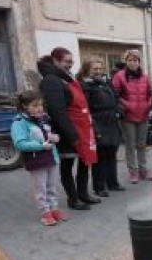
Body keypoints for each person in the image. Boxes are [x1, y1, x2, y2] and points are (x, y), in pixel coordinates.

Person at [38, 47, 99, 210]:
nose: (69, 65)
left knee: (85, 162)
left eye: (71, 61)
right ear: (55, 60)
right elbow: (57, 111)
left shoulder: (66, 78)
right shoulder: (51, 80)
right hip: (67, 131)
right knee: (67, 166)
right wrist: (71, 135)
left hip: (81, 128)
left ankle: (83, 194)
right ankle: (73, 199)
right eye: (66, 61)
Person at [11, 91, 67, 226]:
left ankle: (54, 209)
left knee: (52, 186)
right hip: (37, 161)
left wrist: (54, 137)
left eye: (41, 105)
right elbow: (20, 143)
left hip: (51, 158)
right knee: (40, 188)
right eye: (35, 105)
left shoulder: (43, 118)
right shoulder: (19, 122)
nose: (40, 108)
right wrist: (41, 146)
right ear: (25, 106)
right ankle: (45, 212)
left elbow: (48, 133)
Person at [78, 59, 125, 196]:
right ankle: (99, 187)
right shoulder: (86, 86)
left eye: (100, 68)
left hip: (111, 122)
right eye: (95, 69)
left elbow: (116, 99)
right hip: (98, 123)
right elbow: (86, 108)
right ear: (87, 70)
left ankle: (113, 183)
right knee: (100, 157)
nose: (98, 71)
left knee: (112, 154)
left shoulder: (106, 83)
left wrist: (119, 110)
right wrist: (94, 127)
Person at [112, 49, 152, 184]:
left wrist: (149, 105)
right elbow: (115, 95)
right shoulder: (119, 76)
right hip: (128, 117)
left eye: (135, 60)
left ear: (139, 62)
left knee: (142, 144)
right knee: (130, 145)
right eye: (130, 60)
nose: (133, 63)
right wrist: (126, 105)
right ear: (126, 61)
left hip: (143, 115)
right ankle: (133, 171)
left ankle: (143, 169)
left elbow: (150, 94)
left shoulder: (145, 77)